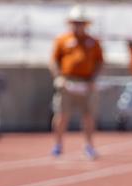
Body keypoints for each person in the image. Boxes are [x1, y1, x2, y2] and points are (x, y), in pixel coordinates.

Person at [50, 5, 103, 159]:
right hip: (67, 82)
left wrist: (94, 78)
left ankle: (89, 145)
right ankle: (58, 145)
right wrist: (58, 78)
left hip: (86, 83)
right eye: (75, 22)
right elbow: (54, 61)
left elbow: (100, 62)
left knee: (88, 116)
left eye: (81, 22)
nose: (78, 25)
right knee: (62, 115)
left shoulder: (93, 42)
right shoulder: (62, 40)